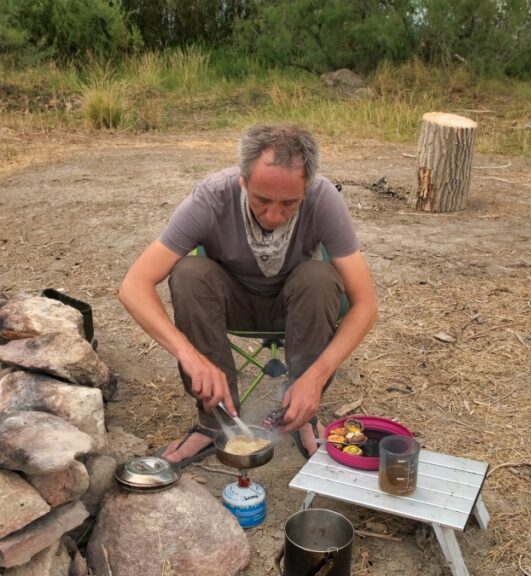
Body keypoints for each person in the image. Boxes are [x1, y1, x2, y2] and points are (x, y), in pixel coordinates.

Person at [118, 124, 378, 466]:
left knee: (319, 277)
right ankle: (215, 422)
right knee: (190, 273)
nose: (274, 215)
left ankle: (303, 413)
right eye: (262, 200)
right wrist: (189, 355)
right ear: (243, 180)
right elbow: (133, 285)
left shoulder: (323, 198)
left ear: (307, 187)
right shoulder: (212, 197)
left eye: (289, 203)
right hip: (232, 305)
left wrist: (314, 377)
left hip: (295, 307)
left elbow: (366, 304)